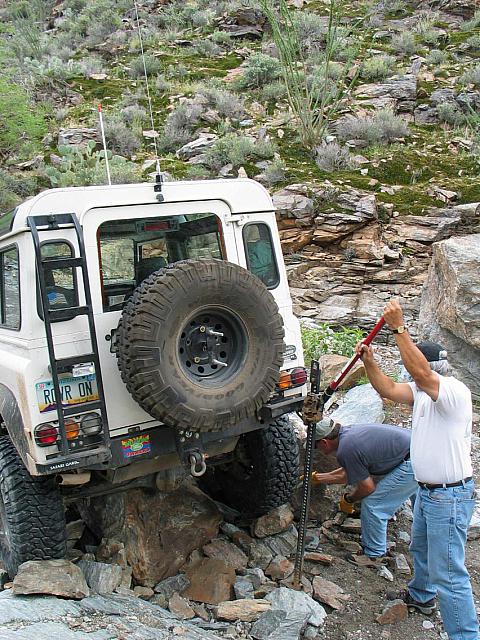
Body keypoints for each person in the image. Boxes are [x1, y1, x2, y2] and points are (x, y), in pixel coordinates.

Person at [356, 298, 478, 640]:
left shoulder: (451, 391)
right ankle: (422, 597)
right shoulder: (424, 393)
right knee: (420, 550)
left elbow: (421, 373)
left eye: (415, 368)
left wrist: (398, 329)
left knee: (450, 574)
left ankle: (465, 635)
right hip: (427, 493)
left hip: (449, 496)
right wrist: (369, 363)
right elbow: (389, 390)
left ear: (430, 366)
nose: (410, 374)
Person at [312, 422, 417, 566]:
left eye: (315, 446)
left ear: (324, 442)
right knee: (421, 503)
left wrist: (350, 499)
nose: (317, 450)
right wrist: (318, 478)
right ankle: (424, 540)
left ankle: (374, 555)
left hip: (413, 461)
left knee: (374, 505)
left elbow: (367, 487)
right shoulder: (349, 434)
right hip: (423, 450)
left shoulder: (346, 449)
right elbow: (351, 470)